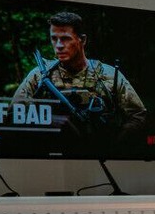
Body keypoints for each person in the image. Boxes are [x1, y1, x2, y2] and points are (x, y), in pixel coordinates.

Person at [12, 11, 147, 138]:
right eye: (54, 39)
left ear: (82, 40)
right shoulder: (39, 76)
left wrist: (114, 146)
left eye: (65, 39)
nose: (58, 45)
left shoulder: (108, 75)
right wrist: (48, 121)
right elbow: (13, 114)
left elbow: (138, 116)